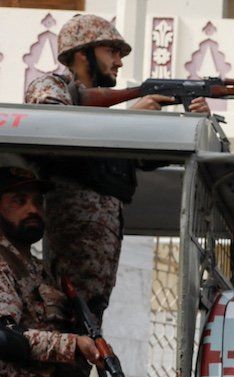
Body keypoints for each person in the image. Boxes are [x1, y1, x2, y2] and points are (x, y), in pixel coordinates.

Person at [25, 14, 208, 323]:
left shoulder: (104, 111)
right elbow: (55, 131)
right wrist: (129, 117)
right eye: (112, 51)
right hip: (70, 265)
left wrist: (194, 119)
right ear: (82, 53)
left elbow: (144, 157)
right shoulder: (51, 87)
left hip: (97, 268)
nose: (119, 62)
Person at [0, 165, 101, 377]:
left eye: (38, 201)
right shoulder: (3, 263)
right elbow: (5, 338)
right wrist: (72, 344)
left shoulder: (43, 272)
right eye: (20, 201)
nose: (32, 209)